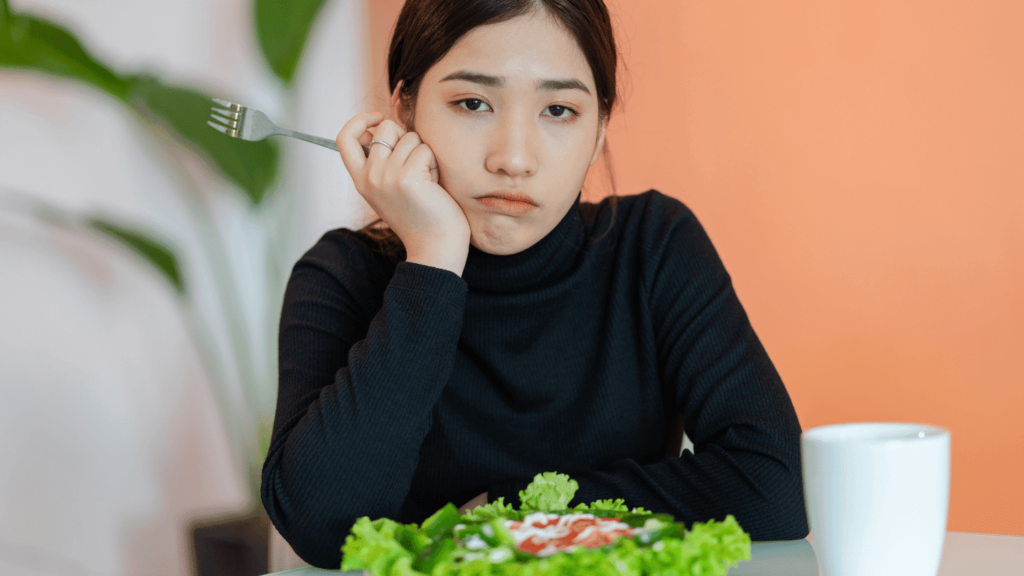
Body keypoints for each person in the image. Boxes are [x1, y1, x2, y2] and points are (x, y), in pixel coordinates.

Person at [261, 0, 809, 569]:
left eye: (558, 110)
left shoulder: (654, 247)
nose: (514, 158)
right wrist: (432, 261)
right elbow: (323, 527)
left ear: (599, 130)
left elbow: (776, 485)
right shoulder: (340, 276)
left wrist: (521, 510)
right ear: (404, 113)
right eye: (472, 103)